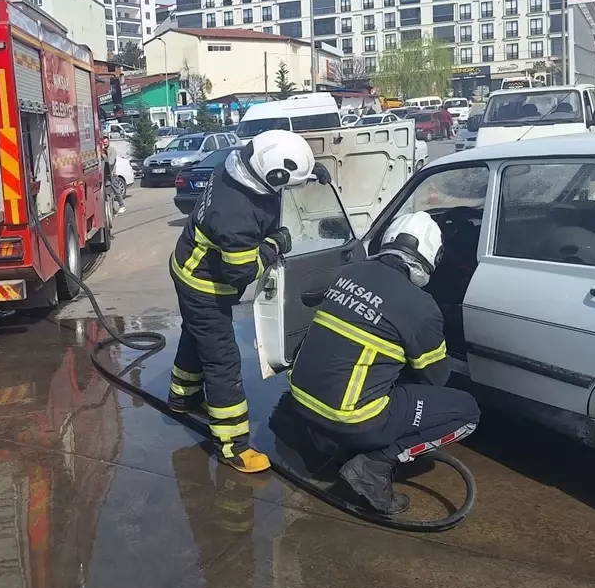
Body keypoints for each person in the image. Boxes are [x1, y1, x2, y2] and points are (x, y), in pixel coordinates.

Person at [287, 211, 480, 513]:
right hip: (349, 418)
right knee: (466, 411)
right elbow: (435, 378)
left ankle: (337, 444)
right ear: (433, 256)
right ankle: (374, 465)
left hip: (300, 403)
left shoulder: (348, 272)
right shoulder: (421, 306)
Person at [168, 129, 321, 473]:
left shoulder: (238, 163)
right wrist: (275, 245)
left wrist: (311, 174)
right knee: (223, 363)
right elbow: (241, 273)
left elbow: (277, 175)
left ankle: (183, 396)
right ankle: (231, 445)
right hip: (203, 286)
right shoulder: (234, 216)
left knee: (196, 335)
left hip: (187, 266)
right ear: (273, 175)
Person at [100, 134, 125, 214]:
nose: (105, 144)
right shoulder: (103, 150)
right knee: (109, 193)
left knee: (116, 190)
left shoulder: (112, 150)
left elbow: (110, 162)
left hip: (112, 174)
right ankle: (113, 209)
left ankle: (122, 206)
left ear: (109, 142)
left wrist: (103, 155)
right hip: (105, 175)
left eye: (106, 142)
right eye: (104, 143)